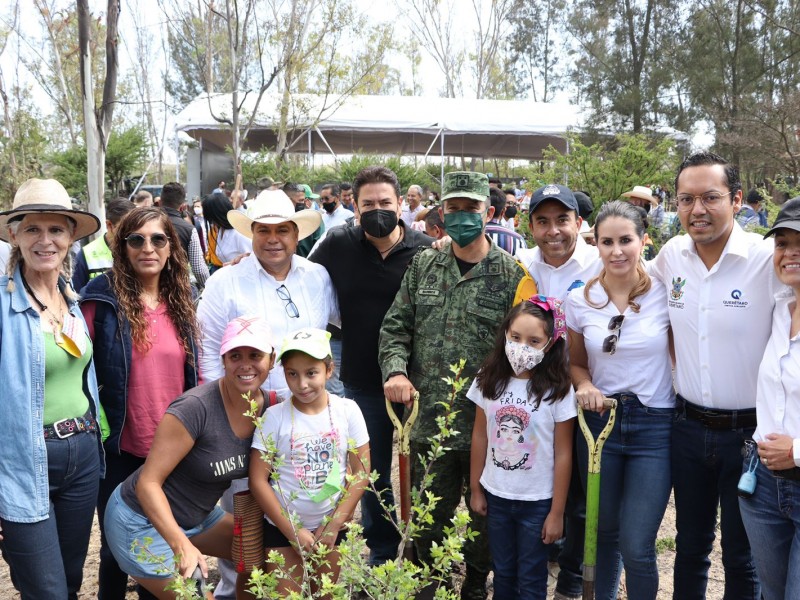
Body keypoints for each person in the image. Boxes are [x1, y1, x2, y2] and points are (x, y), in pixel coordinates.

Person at [380, 171, 536, 599]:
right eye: (454, 209)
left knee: (486, 516)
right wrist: (395, 371)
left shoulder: (511, 276)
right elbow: (397, 326)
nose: (462, 217)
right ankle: (429, 584)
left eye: (471, 209)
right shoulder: (424, 264)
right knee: (428, 515)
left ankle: (473, 584)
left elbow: (524, 349)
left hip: (488, 425)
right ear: (442, 212)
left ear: (488, 212)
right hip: (428, 420)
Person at [197, 189, 338, 598]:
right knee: (244, 516)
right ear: (251, 233)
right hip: (246, 416)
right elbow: (207, 350)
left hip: (304, 417)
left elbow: (335, 330)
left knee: (304, 503)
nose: (272, 239)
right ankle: (233, 590)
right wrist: (222, 415)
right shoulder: (226, 280)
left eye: (282, 230)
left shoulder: (317, 277)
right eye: (263, 230)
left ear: (296, 234)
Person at [649, 151, 776, 600]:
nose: (697, 210)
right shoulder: (671, 256)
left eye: (710, 197)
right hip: (687, 427)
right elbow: (625, 283)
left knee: (743, 555)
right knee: (690, 546)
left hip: (749, 433)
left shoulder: (766, 260)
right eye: (686, 199)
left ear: (737, 199)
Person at [308, 165, 433, 565]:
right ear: (354, 207)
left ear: (401, 204)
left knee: (424, 470)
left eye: (385, 202)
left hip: (421, 380)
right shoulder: (337, 244)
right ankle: (380, 551)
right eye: (368, 204)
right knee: (372, 472)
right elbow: (301, 276)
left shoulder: (426, 250)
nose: (377, 210)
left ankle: (423, 555)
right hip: (363, 378)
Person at [103, 315, 274, 598]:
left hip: (198, 518)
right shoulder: (195, 408)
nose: (246, 364)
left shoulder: (271, 407)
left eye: (255, 355)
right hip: (139, 521)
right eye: (235, 355)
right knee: (195, 595)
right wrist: (180, 544)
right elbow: (148, 483)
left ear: (271, 359)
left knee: (263, 549)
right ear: (223, 359)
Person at [80, 207, 201, 600]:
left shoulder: (182, 299)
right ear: (123, 246)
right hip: (120, 448)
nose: (147, 248)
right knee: (118, 549)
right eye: (137, 239)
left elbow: (194, 374)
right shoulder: (99, 301)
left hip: (172, 451)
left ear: (171, 248)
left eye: (158, 239)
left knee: (162, 547)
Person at [0, 178, 104, 599]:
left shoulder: (71, 299)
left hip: (81, 455)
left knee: (71, 579)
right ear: (14, 235)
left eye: (56, 230)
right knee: (47, 591)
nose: (46, 240)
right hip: (23, 464)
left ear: (70, 237)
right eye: (33, 230)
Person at [566, 201, 674, 600]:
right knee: (603, 533)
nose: (616, 251)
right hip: (599, 423)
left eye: (626, 240)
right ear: (594, 243)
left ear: (644, 240)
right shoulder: (579, 300)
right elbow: (575, 364)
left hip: (655, 426)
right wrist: (585, 385)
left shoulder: (666, 293)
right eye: (606, 241)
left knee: (637, 543)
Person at [515, 183, 601, 600]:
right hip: (535, 395)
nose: (554, 231)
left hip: (584, 389)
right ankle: (538, 563)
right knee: (541, 478)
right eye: (543, 221)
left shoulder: (599, 261)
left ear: (578, 223)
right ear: (530, 225)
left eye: (562, 220)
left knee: (582, 491)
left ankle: (570, 580)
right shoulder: (523, 264)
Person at [468, 297, 576, 600]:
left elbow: (564, 453)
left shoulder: (559, 390)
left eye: (533, 341)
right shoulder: (489, 379)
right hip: (497, 496)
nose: (521, 347)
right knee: (502, 571)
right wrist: (477, 488)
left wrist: (557, 512)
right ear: (505, 333)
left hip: (537, 503)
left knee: (531, 577)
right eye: (515, 338)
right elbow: (479, 436)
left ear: (550, 344)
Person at [249, 327, 370, 595]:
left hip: (329, 527)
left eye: (311, 373)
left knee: (324, 593)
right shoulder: (273, 418)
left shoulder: (347, 411)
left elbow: (361, 471)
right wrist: (293, 531)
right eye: (293, 374)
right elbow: (258, 480)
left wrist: (334, 524)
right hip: (283, 528)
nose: (302, 384)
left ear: (329, 370)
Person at [739, 197, 800, 600]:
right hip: (763, 488)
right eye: (782, 243)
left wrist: (797, 450)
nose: (790, 253)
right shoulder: (779, 308)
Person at [72, 197, 135, 293]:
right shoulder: (86, 255)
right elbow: (75, 297)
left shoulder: (140, 250)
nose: (131, 233)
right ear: (109, 225)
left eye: (134, 228)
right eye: (124, 229)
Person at [159, 182, 210, 289]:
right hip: (176, 288)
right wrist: (209, 287)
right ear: (183, 206)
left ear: (160, 202)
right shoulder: (189, 229)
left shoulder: (144, 222)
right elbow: (199, 269)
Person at [202, 192, 251, 272]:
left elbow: (253, 259)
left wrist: (234, 264)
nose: (212, 222)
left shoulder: (239, 233)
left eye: (211, 219)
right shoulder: (221, 230)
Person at [485, 187, 527, 256]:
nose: (512, 206)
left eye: (514, 204)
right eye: (509, 203)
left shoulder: (471, 236)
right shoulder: (518, 240)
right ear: (503, 209)